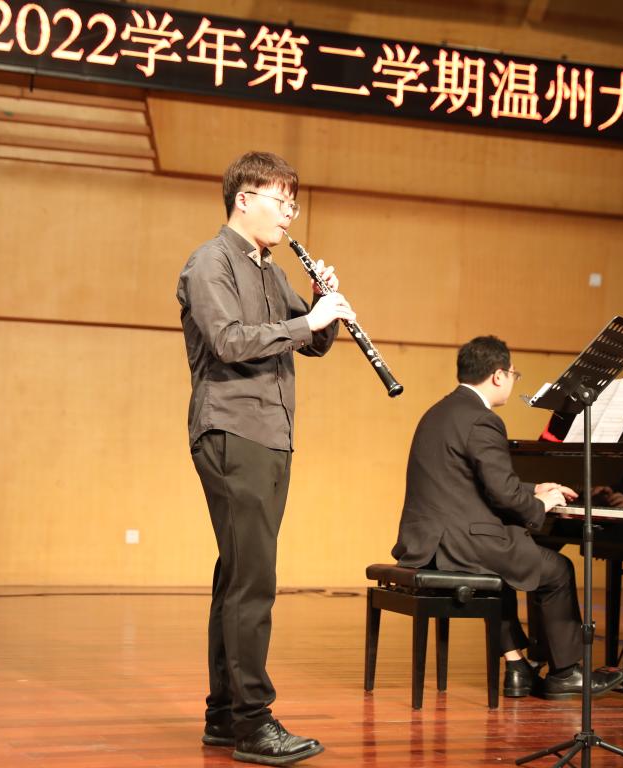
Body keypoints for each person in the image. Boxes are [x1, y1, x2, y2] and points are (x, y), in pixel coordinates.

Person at [177, 151, 354, 765]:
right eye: (282, 202)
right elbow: (228, 342)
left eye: (292, 205)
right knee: (254, 581)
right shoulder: (210, 262)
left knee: (238, 575)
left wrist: (322, 304)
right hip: (232, 429)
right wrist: (308, 322)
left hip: (271, 434)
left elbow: (312, 343)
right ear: (244, 199)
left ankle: (224, 716)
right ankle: (253, 722)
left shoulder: (271, 272)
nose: (289, 215)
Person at [391, 335, 623, 700]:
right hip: (460, 543)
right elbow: (501, 492)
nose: (514, 380)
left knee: (513, 566)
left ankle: (517, 667)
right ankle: (566, 673)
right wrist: (540, 505)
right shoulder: (483, 419)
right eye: (514, 374)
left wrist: (534, 488)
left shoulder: (440, 412)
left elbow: (472, 479)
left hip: (429, 541)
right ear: (498, 375)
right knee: (557, 570)